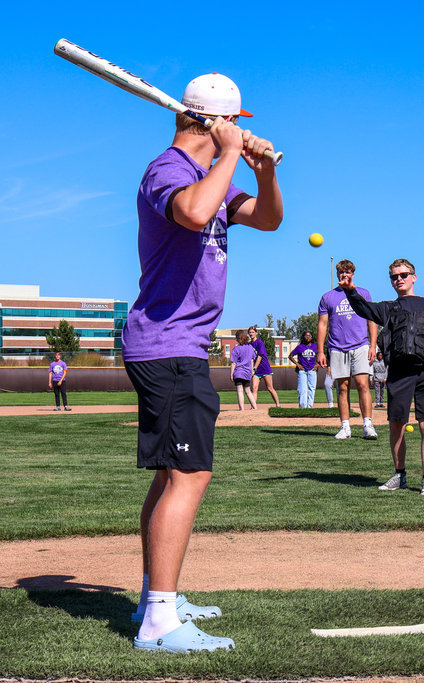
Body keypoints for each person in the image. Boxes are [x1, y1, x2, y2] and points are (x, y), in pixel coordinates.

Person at [120, 71, 282, 653]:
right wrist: (234, 152)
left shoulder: (210, 172)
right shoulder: (169, 169)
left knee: (171, 475)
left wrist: (262, 170)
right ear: (216, 122)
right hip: (166, 344)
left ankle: (154, 597)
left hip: (180, 346)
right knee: (189, 475)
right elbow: (192, 213)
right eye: (235, 124)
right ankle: (160, 621)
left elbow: (268, 219)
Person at [340, 258, 424, 496]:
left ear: (414, 277)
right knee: (397, 424)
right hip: (399, 371)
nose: (398, 279)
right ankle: (399, 475)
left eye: (403, 274)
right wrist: (351, 290)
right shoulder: (389, 308)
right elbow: (364, 308)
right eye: (393, 276)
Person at [317, 259, 378, 440]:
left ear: (353, 274)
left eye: (348, 272)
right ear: (337, 275)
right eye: (341, 272)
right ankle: (345, 427)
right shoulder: (327, 297)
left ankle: (367, 424)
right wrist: (320, 351)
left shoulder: (364, 293)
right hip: (337, 347)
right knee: (342, 388)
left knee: (362, 385)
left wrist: (373, 345)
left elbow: (371, 320)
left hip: (360, 345)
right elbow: (322, 325)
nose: (345, 275)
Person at [248, 325, 281, 408]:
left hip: (264, 368)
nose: (251, 334)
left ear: (256, 333)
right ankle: (253, 407)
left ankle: (278, 404)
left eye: (253, 332)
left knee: (270, 388)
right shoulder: (249, 344)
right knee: (254, 388)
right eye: (250, 332)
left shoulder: (259, 342)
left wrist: (254, 368)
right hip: (256, 370)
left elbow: (260, 356)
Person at [230, 330, 259, 410]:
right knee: (248, 391)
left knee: (240, 391)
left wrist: (231, 374)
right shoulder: (250, 347)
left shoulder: (236, 349)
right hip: (247, 372)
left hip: (239, 372)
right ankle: (255, 408)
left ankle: (242, 409)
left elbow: (233, 363)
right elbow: (252, 360)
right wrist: (251, 371)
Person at [288, 331, 318, 408]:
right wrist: (297, 364)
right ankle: (303, 405)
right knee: (302, 388)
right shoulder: (300, 347)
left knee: (311, 388)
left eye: (309, 336)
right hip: (302, 370)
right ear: (303, 337)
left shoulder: (315, 347)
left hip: (312, 370)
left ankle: (310, 405)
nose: (308, 337)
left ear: (312, 337)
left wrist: (317, 365)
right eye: (306, 336)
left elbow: (322, 356)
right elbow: (290, 356)